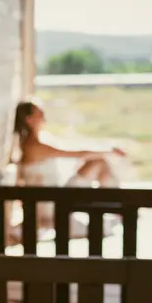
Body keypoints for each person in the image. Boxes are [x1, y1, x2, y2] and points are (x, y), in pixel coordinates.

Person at [12, 100, 128, 238]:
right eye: (39, 113)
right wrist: (110, 152)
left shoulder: (35, 143)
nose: (44, 116)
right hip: (51, 203)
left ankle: (117, 206)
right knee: (99, 162)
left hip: (55, 196)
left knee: (98, 162)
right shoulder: (34, 146)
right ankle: (118, 206)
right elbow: (78, 154)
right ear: (29, 120)